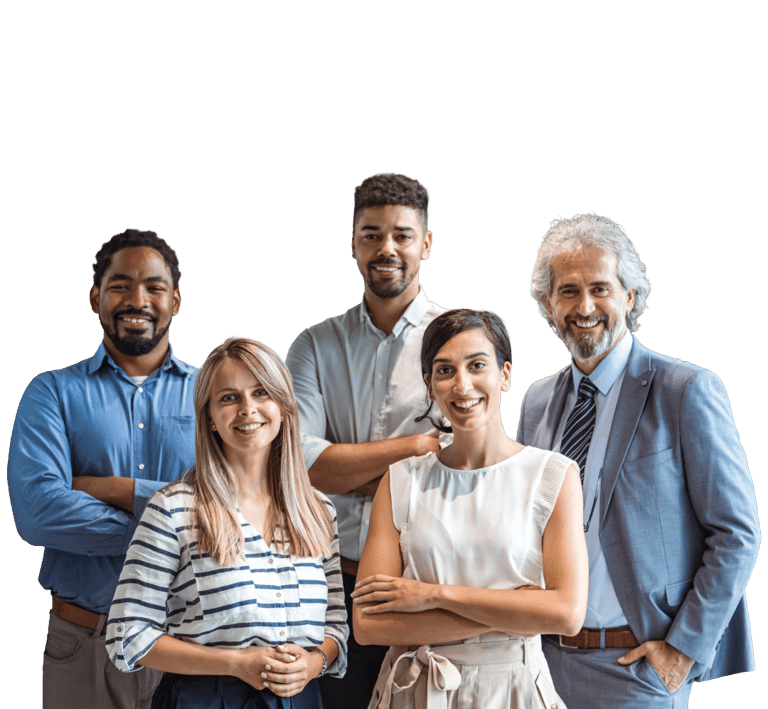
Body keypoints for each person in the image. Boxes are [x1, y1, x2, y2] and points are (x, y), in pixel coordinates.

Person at [517, 213, 760, 708]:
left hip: (638, 670)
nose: (585, 307)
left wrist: (683, 651)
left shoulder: (685, 391)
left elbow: (737, 533)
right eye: (568, 291)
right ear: (547, 304)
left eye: (600, 289)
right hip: (542, 663)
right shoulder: (536, 401)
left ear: (629, 297)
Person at [351, 308, 588, 708]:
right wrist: (519, 611)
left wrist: (433, 594)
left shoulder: (553, 475)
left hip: (510, 691)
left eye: (477, 365)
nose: (462, 385)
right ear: (430, 386)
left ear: (505, 375)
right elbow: (368, 625)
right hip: (414, 691)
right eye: (444, 371)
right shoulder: (401, 480)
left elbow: (566, 614)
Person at [8, 228, 196, 709]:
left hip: (193, 644)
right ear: (96, 298)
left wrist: (111, 489)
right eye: (120, 285)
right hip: (84, 644)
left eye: (154, 287)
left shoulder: (214, 395)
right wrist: (176, 531)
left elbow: (237, 507)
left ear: (175, 301)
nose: (137, 300)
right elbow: (38, 513)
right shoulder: (51, 393)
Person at [106, 337, 348, 709]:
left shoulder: (318, 509)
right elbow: (127, 636)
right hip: (205, 698)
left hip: (301, 698)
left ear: (284, 406)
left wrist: (314, 662)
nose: (248, 409)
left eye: (261, 392)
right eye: (229, 398)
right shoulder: (173, 509)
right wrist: (233, 663)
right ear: (210, 418)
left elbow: (335, 627)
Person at [285, 172, 450, 708]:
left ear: (426, 243)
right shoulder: (313, 346)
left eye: (402, 235)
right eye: (371, 235)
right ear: (352, 245)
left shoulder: (458, 340)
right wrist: (414, 450)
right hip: (330, 590)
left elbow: (461, 467)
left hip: (427, 590)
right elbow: (303, 466)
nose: (387, 249)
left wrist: (347, 469)